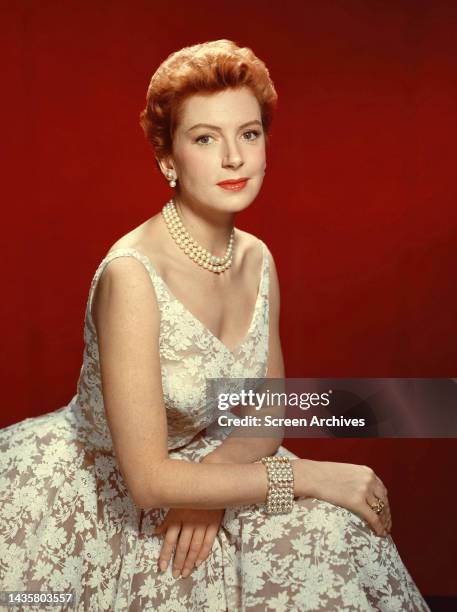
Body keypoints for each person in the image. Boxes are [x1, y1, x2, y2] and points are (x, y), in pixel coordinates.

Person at [0, 39, 430, 611]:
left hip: (215, 463)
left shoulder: (256, 257)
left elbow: (267, 411)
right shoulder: (132, 275)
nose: (235, 158)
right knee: (326, 499)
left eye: (249, 134)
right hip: (99, 488)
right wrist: (310, 477)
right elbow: (150, 481)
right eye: (206, 138)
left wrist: (209, 484)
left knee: (338, 537)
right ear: (167, 159)